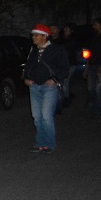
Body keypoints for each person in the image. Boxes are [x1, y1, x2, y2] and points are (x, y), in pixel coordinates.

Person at [24, 24, 70, 153]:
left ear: (44, 36)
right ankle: (40, 143)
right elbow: (28, 66)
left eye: (36, 35)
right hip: (34, 87)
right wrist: (26, 78)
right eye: (33, 35)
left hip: (48, 88)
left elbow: (64, 68)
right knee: (37, 117)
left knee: (46, 116)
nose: (33, 37)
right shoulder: (34, 51)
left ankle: (49, 144)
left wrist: (54, 80)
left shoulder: (56, 50)